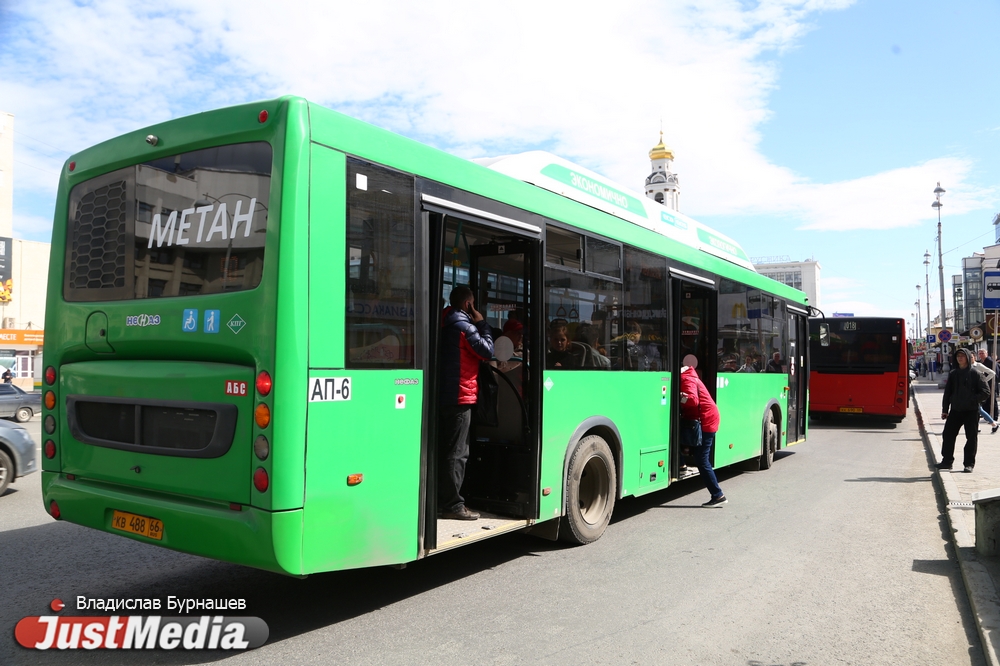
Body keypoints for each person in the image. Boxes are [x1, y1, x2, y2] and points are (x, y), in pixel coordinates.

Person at [438, 286, 494, 520]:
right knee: (458, 453)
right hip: (460, 396)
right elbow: (487, 351)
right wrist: (482, 324)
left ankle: (444, 499)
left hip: (445, 395)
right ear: (468, 305)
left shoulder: (443, 321)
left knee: (447, 449)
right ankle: (453, 505)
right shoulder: (465, 327)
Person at [679, 361, 727, 507]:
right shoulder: (690, 377)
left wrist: (678, 397)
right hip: (707, 418)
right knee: (677, 438)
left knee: (701, 459)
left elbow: (692, 400)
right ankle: (681, 467)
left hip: (706, 421)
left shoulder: (686, 379)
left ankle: (718, 495)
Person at [938, 347, 988, 473]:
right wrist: (945, 409)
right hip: (955, 410)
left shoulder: (975, 373)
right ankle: (947, 461)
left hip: (971, 411)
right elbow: (947, 393)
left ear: (967, 357)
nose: (960, 358)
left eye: (962, 356)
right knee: (948, 435)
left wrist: (972, 399)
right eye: (958, 356)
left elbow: (985, 392)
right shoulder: (953, 374)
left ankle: (969, 464)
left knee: (971, 437)